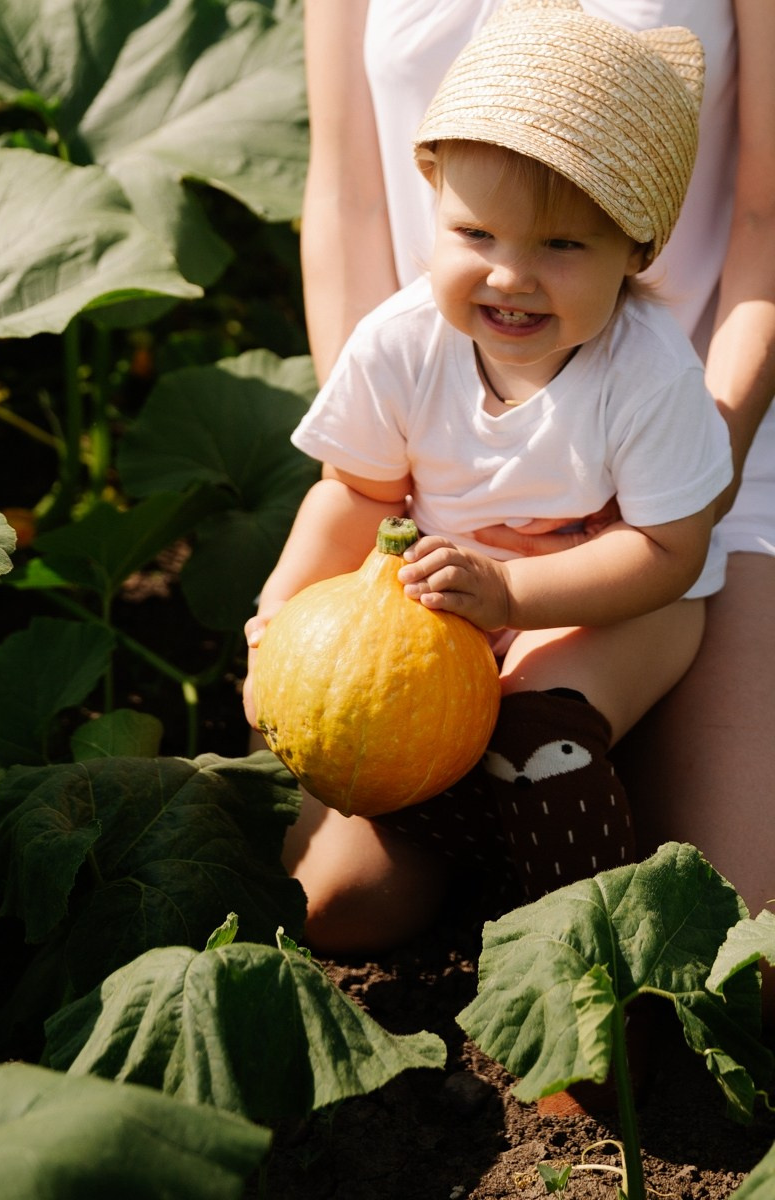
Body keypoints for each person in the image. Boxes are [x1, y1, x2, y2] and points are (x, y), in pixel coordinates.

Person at [289, 0, 775, 1020]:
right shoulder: (408, 341)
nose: (509, 272)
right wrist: (331, 571)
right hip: (445, 485)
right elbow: (343, 201)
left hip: (691, 467)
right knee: (336, 902)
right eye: (474, 236)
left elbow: (765, 221)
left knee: (731, 956)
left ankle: (579, 991)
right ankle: (511, 817)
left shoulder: (648, 377)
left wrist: (685, 473)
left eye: (551, 246)